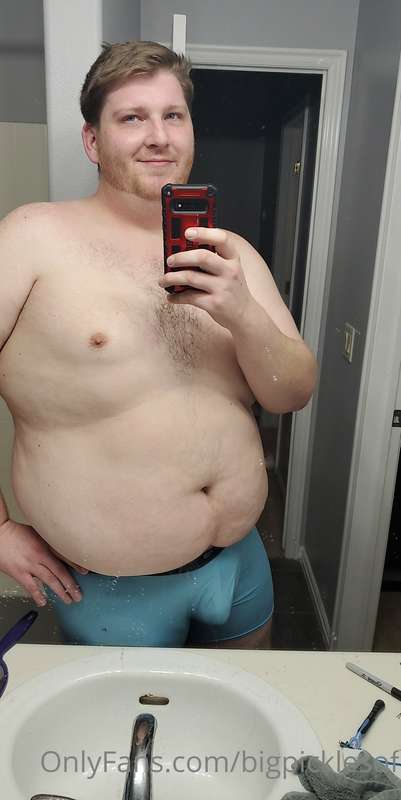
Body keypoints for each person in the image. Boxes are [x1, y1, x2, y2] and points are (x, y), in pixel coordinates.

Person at [0, 41, 317, 648]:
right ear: (93, 141)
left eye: (174, 115)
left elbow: (292, 392)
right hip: (113, 587)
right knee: (133, 717)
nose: (158, 137)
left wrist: (241, 311)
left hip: (240, 563)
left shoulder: (231, 253)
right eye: (132, 118)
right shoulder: (32, 238)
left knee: (241, 703)